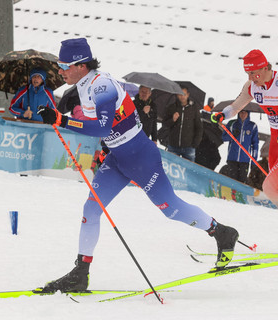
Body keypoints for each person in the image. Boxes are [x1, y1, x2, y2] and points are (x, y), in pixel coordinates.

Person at [36, 38, 239, 293]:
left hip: (141, 157)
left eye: (63, 65)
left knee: (171, 209)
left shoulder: (102, 86)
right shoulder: (85, 86)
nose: (60, 70)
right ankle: (80, 273)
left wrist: (60, 120)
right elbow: (107, 127)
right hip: (119, 159)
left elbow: (104, 126)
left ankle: (220, 232)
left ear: (80, 65)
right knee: (91, 209)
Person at [211, 49, 278, 205]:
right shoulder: (252, 87)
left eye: (253, 73)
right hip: (275, 136)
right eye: (247, 74)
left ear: (265, 68)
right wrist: (223, 115)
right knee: (274, 183)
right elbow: (235, 107)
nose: (250, 78)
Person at [161, 86, 203, 162]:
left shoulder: (194, 108)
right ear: (177, 94)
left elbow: (199, 127)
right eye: (180, 94)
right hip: (173, 146)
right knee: (172, 171)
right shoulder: (172, 107)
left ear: (188, 94)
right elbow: (164, 124)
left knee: (188, 171)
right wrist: (172, 120)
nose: (182, 96)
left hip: (189, 147)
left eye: (184, 94)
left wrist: (195, 143)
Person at [222, 110, 259, 183]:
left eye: (245, 112)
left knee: (242, 183)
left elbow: (255, 145)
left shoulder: (253, 126)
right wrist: (232, 135)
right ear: (238, 112)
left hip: (245, 161)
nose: (243, 114)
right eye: (241, 112)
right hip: (232, 159)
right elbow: (224, 138)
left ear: (248, 113)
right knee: (231, 182)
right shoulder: (232, 123)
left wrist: (254, 161)